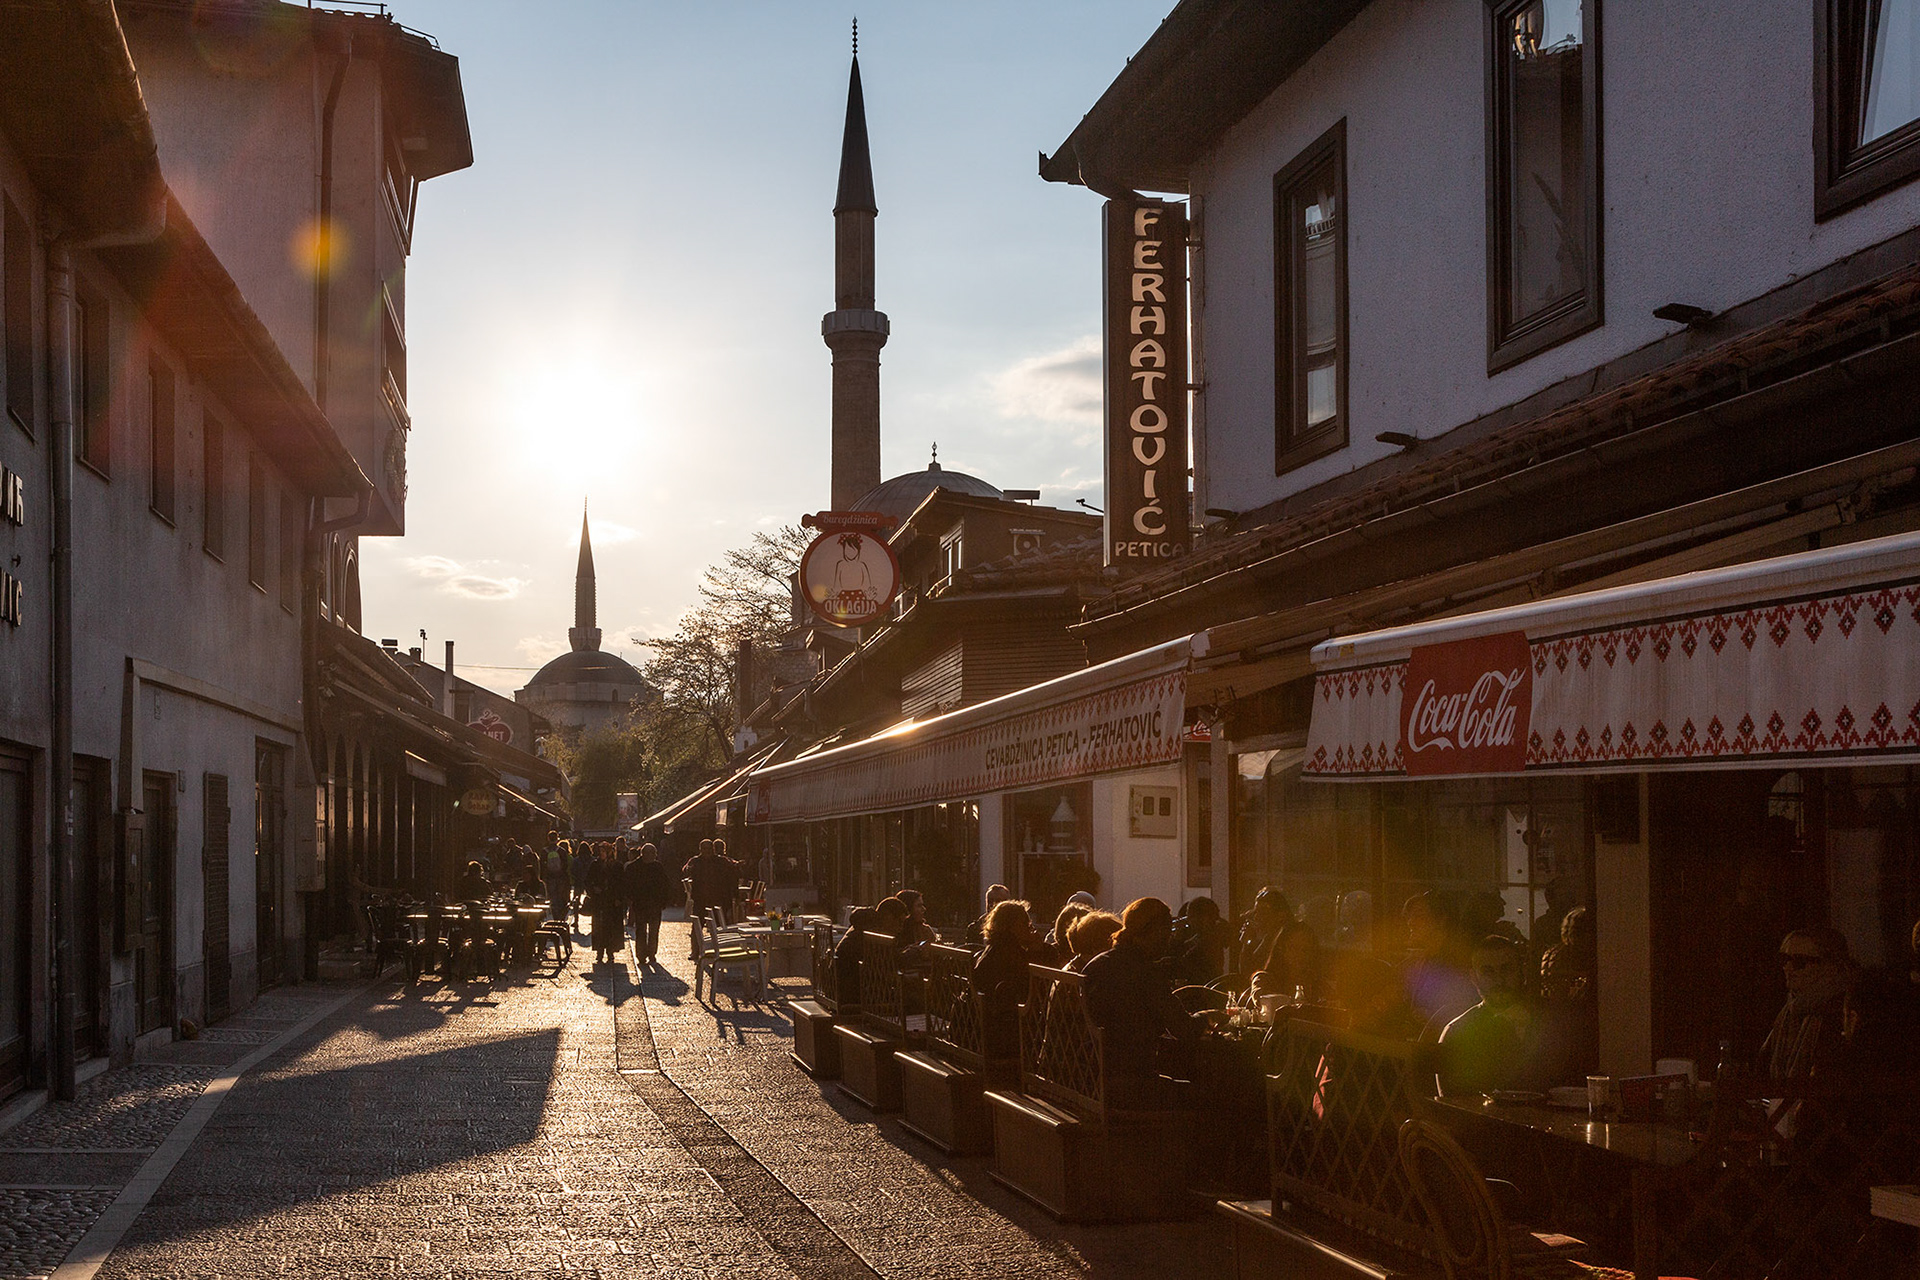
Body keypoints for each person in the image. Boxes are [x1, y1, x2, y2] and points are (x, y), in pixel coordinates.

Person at [1082, 897, 1203, 1107]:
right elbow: (1185, 1030)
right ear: (1154, 931)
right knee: (1209, 1094)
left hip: (1090, 1077)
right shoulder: (1145, 972)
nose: (1170, 936)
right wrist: (1207, 1017)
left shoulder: (1098, 964)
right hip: (1127, 1086)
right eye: (1167, 929)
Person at [1437, 935, 1556, 1096]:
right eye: (1488, 972)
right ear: (1474, 977)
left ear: (1523, 971)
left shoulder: (1552, 1023)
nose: (1499, 979)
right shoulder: (1458, 1033)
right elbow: (1454, 1104)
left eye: (1506, 969)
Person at [1760, 925, 1863, 1080]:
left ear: (1829, 966)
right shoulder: (1788, 1012)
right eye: (1784, 959)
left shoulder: (1841, 1010)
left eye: (1799, 961)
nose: (1787, 967)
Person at [974, 899, 1036, 1061]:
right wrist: (1039, 951)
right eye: (1026, 924)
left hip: (982, 1025)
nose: (1030, 929)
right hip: (1003, 1032)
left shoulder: (993, 948)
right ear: (1013, 926)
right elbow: (1028, 992)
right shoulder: (1012, 954)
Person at [687, 838, 740, 958]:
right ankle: (696, 951)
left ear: (713, 849)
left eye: (709, 849)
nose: (707, 851)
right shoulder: (695, 861)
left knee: (720, 926)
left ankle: (722, 950)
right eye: (704, 849)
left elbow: (732, 872)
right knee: (697, 926)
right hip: (700, 898)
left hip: (718, 899)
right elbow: (685, 870)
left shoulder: (721, 861)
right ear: (700, 849)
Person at [1251, 920, 1325, 1004]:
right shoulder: (1264, 980)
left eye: (1305, 949)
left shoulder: (1317, 983)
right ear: (1282, 949)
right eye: (1294, 947)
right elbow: (1262, 1001)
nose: (1300, 954)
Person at [1165, 896, 1233, 987]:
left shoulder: (1209, 939)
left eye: (1191, 916)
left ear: (1204, 918)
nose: (1188, 921)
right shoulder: (1207, 935)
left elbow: (1182, 964)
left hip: (1201, 991)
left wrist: (1176, 940)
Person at [624, 842, 673, 964]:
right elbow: (627, 886)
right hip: (640, 903)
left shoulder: (657, 866)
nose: (655, 856)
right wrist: (630, 899)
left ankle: (651, 953)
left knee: (653, 930)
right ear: (646, 854)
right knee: (641, 930)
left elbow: (665, 885)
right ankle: (642, 955)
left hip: (655, 904)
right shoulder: (633, 867)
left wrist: (664, 901)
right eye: (654, 854)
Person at [1235, 886, 1294, 974]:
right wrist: (1247, 943)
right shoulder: (1269, 938)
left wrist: (1247, 944)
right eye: (1256, 912)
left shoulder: (1291, 939)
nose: (1257, 917)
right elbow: (1248, 973)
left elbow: (1251, 971)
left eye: (1263, 912)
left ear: (1281, 915)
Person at [585, 843, 624, 966]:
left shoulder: (617, 866)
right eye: (600, 851)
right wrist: (593, 889)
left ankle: (610, 950)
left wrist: (619, 898)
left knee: (611, 927)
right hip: (599, 900)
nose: (601, 853)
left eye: (603, 851)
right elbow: (587, 881)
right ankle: (600, 951)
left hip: (612, 901)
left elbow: (621, 883)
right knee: (599, 927)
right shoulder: (595, 865)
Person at [540, 832, 570, 923]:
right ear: (557, 838)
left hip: (550, 878)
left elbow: (542, 866)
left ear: (548, 838)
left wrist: (543, 878)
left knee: (552, 898)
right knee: (561, 898)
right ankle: (561, 917)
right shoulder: (561, 851)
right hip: (560, 878)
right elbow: (566, 865)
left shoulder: (544, 851)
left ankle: (555, 916)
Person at [568, 840, 593, 930]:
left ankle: (576, 920)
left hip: (578, 882)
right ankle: (593, 918)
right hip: (590, 883)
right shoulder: (592, 860)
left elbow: (572, 871)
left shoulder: (576, 860)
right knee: (592, 900)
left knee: (576, 902)